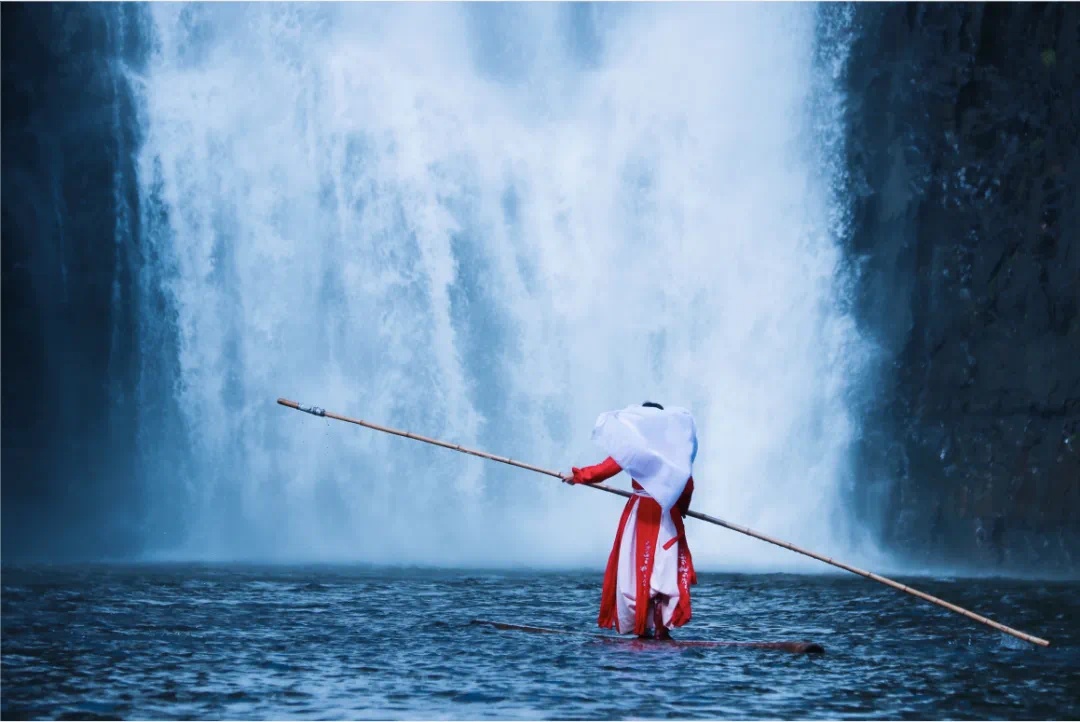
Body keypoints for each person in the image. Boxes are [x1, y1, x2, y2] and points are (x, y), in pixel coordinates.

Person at [566, 402, 698, 639]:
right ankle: (661, 628)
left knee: (637, 566)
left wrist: (578, 477)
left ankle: (644, 626)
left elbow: (605, 469)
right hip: (666, 512)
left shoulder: (635, 448)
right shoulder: (674, 451)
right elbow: (687, 484)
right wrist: (681, 508)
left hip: (641, 513)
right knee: (663, 567)